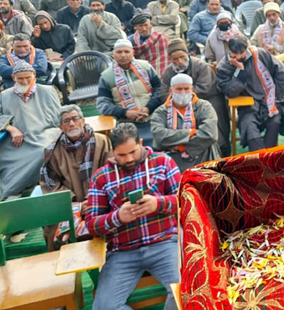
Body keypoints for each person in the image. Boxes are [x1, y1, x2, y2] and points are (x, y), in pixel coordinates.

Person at [84, 122, 181, 310]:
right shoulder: (101, 177)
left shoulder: (163, 162)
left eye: (133, 152)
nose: (129, 158)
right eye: (121, 155)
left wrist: (158, 203)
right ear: (112, 151)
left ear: (141, 143)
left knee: (185, 291)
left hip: (164, 242)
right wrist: (117, 217)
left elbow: (185, 202)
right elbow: (92, 225)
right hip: (122, 251)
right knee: (104, 308)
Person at [40, 104, 112, 249]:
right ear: (60, 127)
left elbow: (110, 175)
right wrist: (75, 204)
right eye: (66, 121)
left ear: (83, 121)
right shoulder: (52, 151)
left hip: (99, 199)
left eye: (75, 119)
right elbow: (50, 183)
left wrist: (92, 201)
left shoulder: (102, 141)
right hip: (68, 205)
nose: (72, 124)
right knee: (51, 226)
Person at [0, 61, 63, 199]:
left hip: (44, 133)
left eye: (28, 78)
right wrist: (10, 128)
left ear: (34, 75)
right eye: (20, 78)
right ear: (13, 78)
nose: (24, 81)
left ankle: (14, 189)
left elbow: (58, 119)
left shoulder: (48, 90)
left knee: (42, 151)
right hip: (17, 138)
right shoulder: (4, 95)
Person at [159, 40, 230, 157]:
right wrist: (180, 99)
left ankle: (221, 151)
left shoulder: (201, 65)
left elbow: (206, 88)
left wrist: (183, 95)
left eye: (182, 57)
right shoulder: (168, 72)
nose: (179, 62)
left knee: (214, 117)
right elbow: (163, 94)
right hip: (177, 103)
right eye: (175, 59)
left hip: (207, 99)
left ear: (188, 54)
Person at [216, 36, 284, 151]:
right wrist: (240, 71)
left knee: (275, 121)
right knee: (249, 126)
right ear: (229, 50)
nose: (238, 57)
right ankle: (260, 158)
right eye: (235, 54)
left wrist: (275, 96)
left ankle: (269, 155)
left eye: (242, 53)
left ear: (247, 48)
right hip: (247, 106)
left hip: (269, 102)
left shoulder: (261, 54)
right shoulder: (224, 66)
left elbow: (280, 71)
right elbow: (230, 92)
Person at [97, 39, 162, 145]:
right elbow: (102, 104)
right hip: (126, 123)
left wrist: (148, 108)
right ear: (113, 54)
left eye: (127, 52)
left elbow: (160, 89)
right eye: (119, 52)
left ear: (133, 53)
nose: (123, 55)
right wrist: (125, 113)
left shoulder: (146, 67)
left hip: (153, 117)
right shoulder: (107, 76)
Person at [151, 74, 221, 172]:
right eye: (179, 89)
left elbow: (210, 134)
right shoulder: (161, 112)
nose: (183, 92)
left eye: (186, 89)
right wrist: (190, 133)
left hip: (203, 157)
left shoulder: (204, 107)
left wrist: (181, 147)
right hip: (172, 162)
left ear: (192, 89)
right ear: (171, 90)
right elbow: (160, 136)